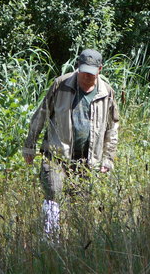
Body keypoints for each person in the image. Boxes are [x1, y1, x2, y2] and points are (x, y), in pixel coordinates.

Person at [23, 49, 120, 239]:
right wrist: (30, 145)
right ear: (78, 67)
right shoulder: (61, 84)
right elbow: (42, 113)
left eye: (91, 73)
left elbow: (112, 127)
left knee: (81, 202)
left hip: (87, 159)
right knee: (53, 192)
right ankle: (50, 241)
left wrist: (108, 158)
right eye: (83, 71)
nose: (86, 76)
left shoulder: (106, 92)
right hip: (56, 154)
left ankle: (77, 243)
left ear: (100, 69)